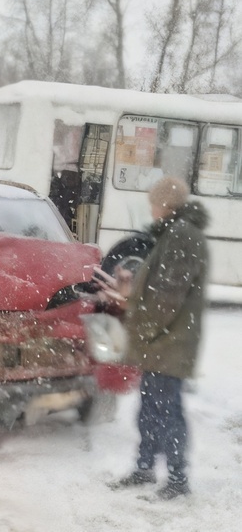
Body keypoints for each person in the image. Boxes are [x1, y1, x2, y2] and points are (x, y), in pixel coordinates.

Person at [97, 176, 209, 501]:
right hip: (158, 342)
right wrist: (132, 288)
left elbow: (169, 297)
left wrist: (136, 312)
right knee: (149, 409)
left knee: (167, 412)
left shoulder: (183, 237)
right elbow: (159, 287)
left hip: (169, 343)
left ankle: (177, 479)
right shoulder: (172, 234)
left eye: (155, 202)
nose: (151, 207)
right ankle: (145, 467)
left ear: (166, 204)